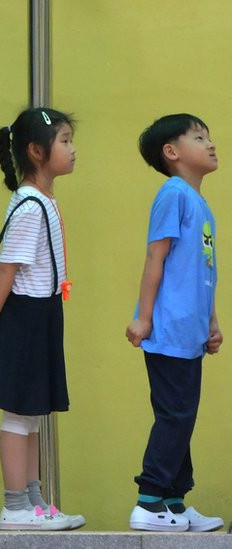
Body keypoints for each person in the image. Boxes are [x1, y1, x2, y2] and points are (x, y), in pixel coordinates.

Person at [0, 108, 84, 531]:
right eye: (64, 141)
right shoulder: (31, 206)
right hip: (25, 318)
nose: (72, 149)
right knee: (18, 414)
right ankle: (15, 505)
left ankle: (34, 501)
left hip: (42, 314)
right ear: (36, 151)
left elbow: (6, 266)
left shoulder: (42, 200)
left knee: (31, 413)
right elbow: (8, 268)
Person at [124, 114, 223, 532]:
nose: (211, 143)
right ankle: (149, 501)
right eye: (199, 137)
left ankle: (175, 504)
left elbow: (203, 272)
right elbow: (156, 258)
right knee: (174, 416)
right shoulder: (174, 194)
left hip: (190, 333)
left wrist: (212, 322)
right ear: (172, 152)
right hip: (168, 330)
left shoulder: (199, 204)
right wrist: (143, 318)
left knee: (182, 415)